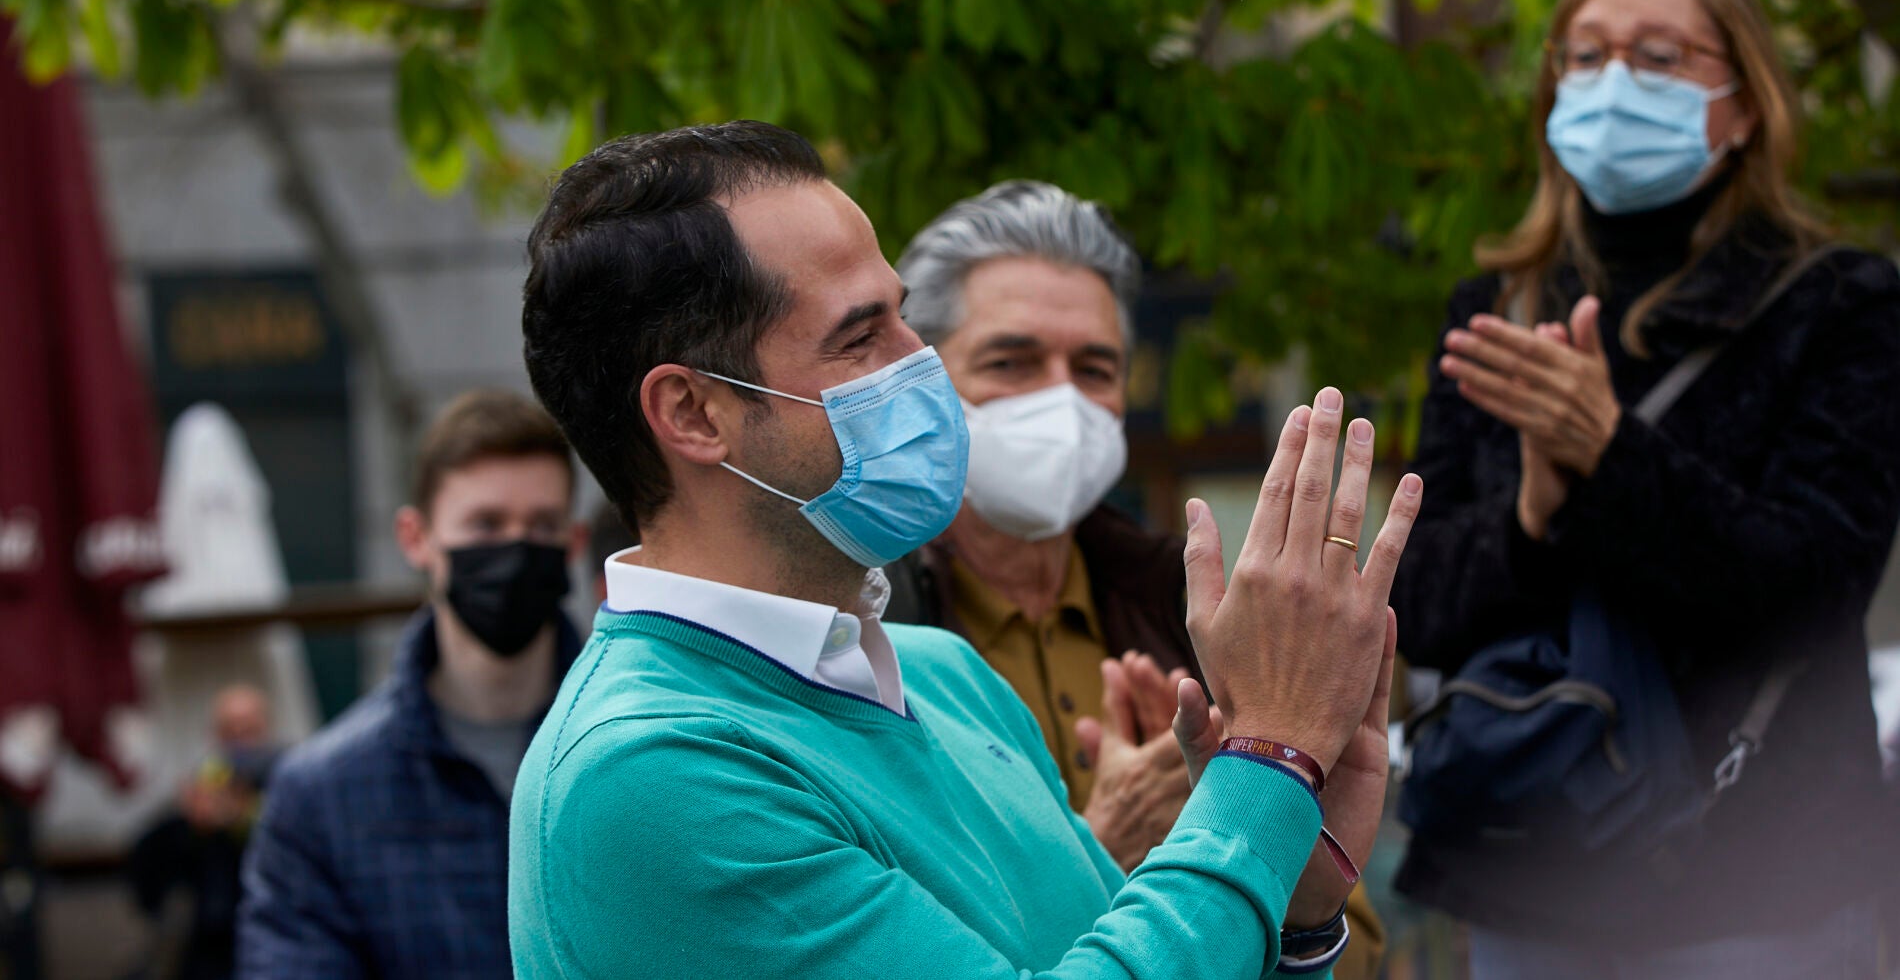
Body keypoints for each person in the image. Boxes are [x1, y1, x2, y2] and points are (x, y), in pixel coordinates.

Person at [509, 120, 1421, 978]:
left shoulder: (942, 674)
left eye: (904, 319)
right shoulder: (646, 770)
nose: (925, 364)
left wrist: (1293, 913)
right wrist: (1266, 765)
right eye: (861, 337)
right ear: (694, 413)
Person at [1391, 0, 1900, 976]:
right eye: (1584, 57)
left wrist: (1612, 455)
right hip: (1532, 869)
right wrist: (1530, 520)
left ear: (1744, 105)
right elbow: (1419, 601)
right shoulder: (1495, 309)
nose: (1613, 82)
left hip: (1758, 874)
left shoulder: (1838, 302)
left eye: (1659, 57)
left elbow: (1813, 585)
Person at [885, 179, 1384, 977]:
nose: (1061, 400)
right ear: (921, 381)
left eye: (1094, 368)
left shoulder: (1198, 616)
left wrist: (1268, 856)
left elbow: (1351, 952)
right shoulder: (864, 635)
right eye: (1011, 361)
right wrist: (1099, 850)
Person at [238, 390, 585, 979]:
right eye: (486, 524)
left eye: (542, 525)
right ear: (415, 538)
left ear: (573, 544)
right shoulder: (321, 797)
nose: (516, 549)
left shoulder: (635, 752)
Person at [128, 685, 281, 980]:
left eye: (248, 730)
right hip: (207, 949)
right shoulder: (200, 789)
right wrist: (191, 828)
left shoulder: (289, 787)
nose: (240, 741)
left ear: (266, 729)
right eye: (230, 731)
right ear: (215, 735)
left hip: (269, 943)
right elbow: (147, 879)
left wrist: (243, 820)